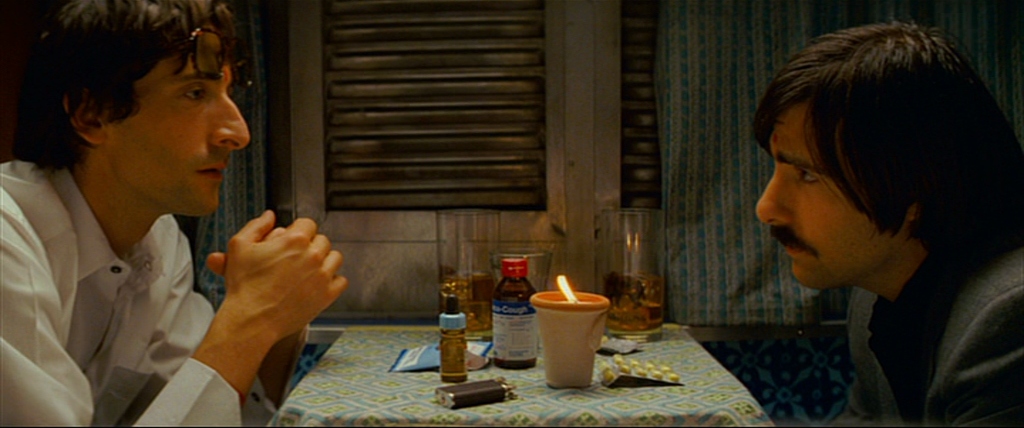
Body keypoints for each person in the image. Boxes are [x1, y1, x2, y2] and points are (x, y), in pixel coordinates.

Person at [1, 0, 349, 425]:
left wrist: (280, 316)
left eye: (229, 94)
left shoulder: (158, 240)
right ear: (92, 115)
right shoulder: (7, 241)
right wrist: (251, 317)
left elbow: (209, 410)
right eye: (195, 93)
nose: (239, 133)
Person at [752, 21, 1024, 425]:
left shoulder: (1006, 317)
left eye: (806, 175)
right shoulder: (877, 292)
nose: (766, 208)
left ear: (913, 186)